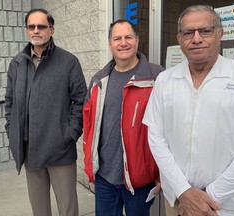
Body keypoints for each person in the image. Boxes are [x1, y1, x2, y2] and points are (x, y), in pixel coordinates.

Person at [143, 4, 234, 216]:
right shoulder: (165, 80)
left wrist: (210, 194)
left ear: (220, 34)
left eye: (205, 31)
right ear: (179, 38)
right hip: (179, 201)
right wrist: (184, 191)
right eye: (188, 32)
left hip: (229, 206)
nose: (196, 38)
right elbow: (156, 138)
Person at [5, 9, 87, 216]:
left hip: (60, 149)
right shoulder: (17, 64)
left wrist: (70, 134)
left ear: (51, 29)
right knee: (39, 209)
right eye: (31, 26)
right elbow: (10, 102)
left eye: (41, 26)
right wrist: (12, 129)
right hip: (30, 151)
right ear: (26, 30)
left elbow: (81, 101)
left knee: (68, 208)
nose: (36, 30)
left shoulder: (68, 62)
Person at [82, 19, 163, 216]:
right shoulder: (99, 80)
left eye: (128, 37)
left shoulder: (156, 76)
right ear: (110, 43)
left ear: (137, 40)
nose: (123, 43)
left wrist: (161, 173)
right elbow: (89, 124)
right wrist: (90, 165)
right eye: (117, 38)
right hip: (105, 177)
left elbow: (168, 128)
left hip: (140, 178)